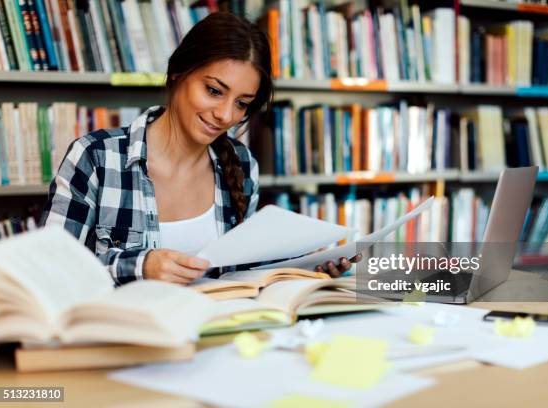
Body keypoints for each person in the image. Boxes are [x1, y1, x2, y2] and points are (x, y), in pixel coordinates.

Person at [42, 12, 358, 286]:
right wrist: (142, 266)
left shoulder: (242, 164)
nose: (225, 115)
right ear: (179, 71)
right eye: (213, 90)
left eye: (242, 104)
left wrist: (310, 267)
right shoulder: (96, 157)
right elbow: (49, 272)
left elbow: (246, 276)